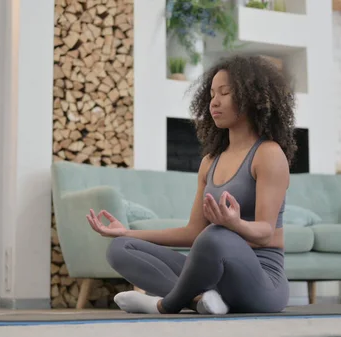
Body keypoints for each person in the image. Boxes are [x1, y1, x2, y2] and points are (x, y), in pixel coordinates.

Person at [85, 54, 297, 315]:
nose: (214, 102)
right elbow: (193, 233)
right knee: (120, 249)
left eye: (225, 93)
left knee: (216, 236)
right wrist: (126, 232)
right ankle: (200, 301)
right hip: (215, 278)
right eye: (211, 95)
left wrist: (234, 225)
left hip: (262, 283)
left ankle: (165, 305)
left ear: (251, 98)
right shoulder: (210, 161)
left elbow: (265, 232)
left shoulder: (268, 154)